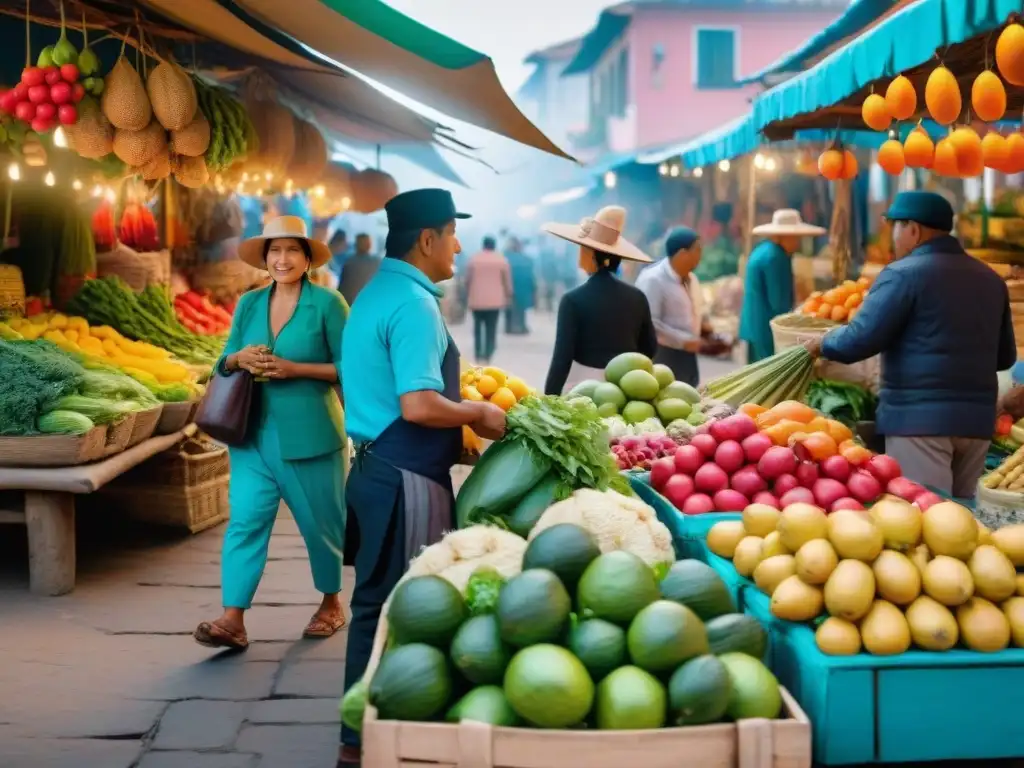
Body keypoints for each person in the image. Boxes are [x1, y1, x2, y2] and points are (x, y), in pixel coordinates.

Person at [338, 189, 507, 765]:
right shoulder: (413, 305)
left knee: (374, 609)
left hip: (375, 468)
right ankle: (375, 741)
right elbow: (416, 404)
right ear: (427, 240)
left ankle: (360, 737)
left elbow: (387, 395)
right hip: (403, 478)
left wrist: (454, 444)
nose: (458, 245)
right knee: (410, 609)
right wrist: (478, 416)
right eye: (450, 233)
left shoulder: (374, 293)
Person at [193, 216, 349, 651]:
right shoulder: (248, 304)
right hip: (251, 435)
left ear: (306, 258)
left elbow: (350, 367)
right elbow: (221, 361)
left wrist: (296, 369)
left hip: (312, 436)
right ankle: (232, 618)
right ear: (265, 258)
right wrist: (238, 358)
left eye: (291, 250)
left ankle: (332, 603)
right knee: (244, 521)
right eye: (274, 251)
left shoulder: (328, 303)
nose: (282, 259)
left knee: (321, 525)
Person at [804, 191, 1016, 498]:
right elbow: (1004, 357)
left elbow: (859, 339)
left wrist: (822, 342)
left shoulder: (902, 275)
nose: (893, 237)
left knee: (926, 515)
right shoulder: (991, 280)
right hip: (977, 423)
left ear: (913, 229)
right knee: (963, 524)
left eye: (895, 227)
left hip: (919, 422)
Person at [542, 205, 658, 394]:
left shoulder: (572, 300)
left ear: (589, 254)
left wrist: (548, 400)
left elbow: (561, 359)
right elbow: (650, 348)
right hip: (626, 389)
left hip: (583, 388)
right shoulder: (637, 297)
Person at [739, 209, 825, 363]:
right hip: (766, 329)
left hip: (754, 325)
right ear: (784, 236)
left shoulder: (763, 250)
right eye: (795, 238)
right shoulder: (776, 258)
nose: (797, 243)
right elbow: (778, 303)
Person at [635, 226, 715, 386]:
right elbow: (649, 323)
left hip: (687, 355)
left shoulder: (692, 279)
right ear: (682, 254)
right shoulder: (652, 280)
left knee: (688, 395)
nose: (701, 255)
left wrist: (704, 326)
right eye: (697, 250)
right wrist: (684, 341)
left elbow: (698, 308)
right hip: (661, 354)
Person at [464, 235, 512, 363]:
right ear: (494, 246)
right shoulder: (501, 260)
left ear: (483, 245)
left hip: (477, 300)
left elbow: (467, 280)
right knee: (491, 328)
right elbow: (506, 282)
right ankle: (488, 353)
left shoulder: (474, 259)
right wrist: (508, 295)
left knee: (478, 327)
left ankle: (478, 353)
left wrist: (468, 293)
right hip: (495, 301)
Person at [504, 236, 537, 335]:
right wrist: (533, 287)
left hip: (510, 285)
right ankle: (521, 327)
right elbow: (531, 276)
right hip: (523, 287)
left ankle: (509, 327)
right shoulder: (527, 259)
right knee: (521, 308)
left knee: (509, 308)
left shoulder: (506, 257)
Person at [338, 233, 381, 307]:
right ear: (369, 245)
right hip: (369, 307)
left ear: (356, 246)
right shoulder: (378, 262)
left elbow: (341, 288)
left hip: (348, 307)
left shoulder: (349, 262)